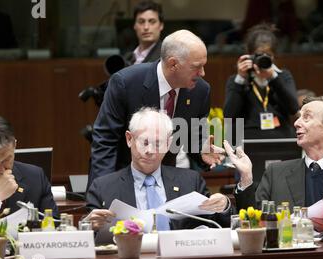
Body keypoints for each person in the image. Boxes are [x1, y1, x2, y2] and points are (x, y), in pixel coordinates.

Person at [89, 29, 225, 189]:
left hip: (166, 184)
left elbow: (192, 137)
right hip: (124, 181)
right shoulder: (126, 83)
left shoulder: (200, 91)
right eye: (197, 67)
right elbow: (105, 141)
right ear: (173, 64)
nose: (202, 73)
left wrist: (202, 152)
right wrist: (103, 191)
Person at [224, 96, 323, 232]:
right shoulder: (275, 173)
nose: (296, 123)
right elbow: (252, 223)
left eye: (306, 117)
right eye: (298, 117)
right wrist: (246, 177)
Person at [87, 108, 231, 232]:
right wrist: (89, 225)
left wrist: (223, 205)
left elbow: (216, 224)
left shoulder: (190, 182)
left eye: (157, 143)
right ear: (129, 139)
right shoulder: (103, 188)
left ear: (169, 143)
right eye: (144, 142)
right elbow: (89, 234)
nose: (149, 151)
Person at [0, 115, 58, 234]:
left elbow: (54, 225)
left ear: (14, 145)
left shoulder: (35, 177)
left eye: (6, 160)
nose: (0, 169)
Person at [223, 23, 299, 144]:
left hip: (280, 139)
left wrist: (273, 78)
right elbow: (229, 115)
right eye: (258, 55)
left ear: (274, 56)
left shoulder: (283, 76)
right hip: (246, 141)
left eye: (268, 55)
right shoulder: (236, 80)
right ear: (249, 54)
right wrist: (241, 79)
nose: (263, 59)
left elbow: (293, 108)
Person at [124, 0, 163, 65]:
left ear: (161, 25)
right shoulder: (127, 57)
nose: (146, 27)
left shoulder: (166, 57)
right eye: (141, 21)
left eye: (152, 21)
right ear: (134, 25)